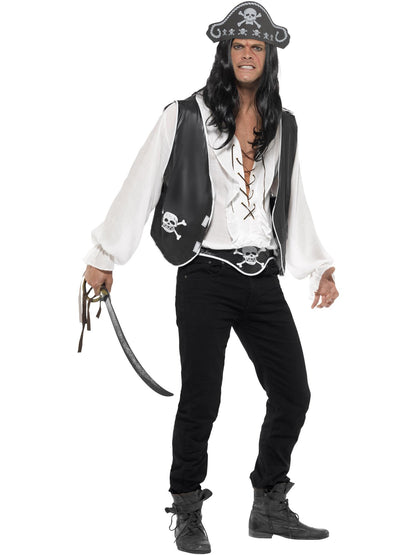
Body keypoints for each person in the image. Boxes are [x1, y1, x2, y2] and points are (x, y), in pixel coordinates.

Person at [83, 2, 339, 553]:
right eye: (238, 46)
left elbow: (292, 200)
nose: (247, 55)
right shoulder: (185, 115)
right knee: (203, 397)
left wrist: (319, 266)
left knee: (293, 392)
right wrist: (105, 255)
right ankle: (186, 508)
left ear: (268, 58)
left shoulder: (283, 124)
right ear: (225, 54)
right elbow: (141, 183)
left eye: (256, 48)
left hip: (261, 275)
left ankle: (268, 500)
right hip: (204, 274)